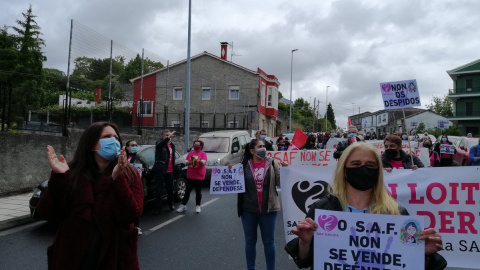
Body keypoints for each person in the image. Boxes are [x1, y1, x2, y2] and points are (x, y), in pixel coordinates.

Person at [284, 142, 446, 269]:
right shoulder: (322, 209)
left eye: (370, 165)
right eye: (355, 164)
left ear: (378, 171)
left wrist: (422, 253)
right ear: (344, 170)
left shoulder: (396, 213)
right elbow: (305, 261)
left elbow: (406, 262)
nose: (363, 169)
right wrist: (304, 242)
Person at [38, 122, 143, 270]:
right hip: (74, 258)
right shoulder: (73, 173)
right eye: (106, 136)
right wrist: (59, 178)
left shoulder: (129, 174)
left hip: (115, 257)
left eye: (115, 137)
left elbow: (132, 213)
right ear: (91, 144)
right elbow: (48, 212)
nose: (113, 140)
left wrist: (116, 180)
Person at [236, 139, 281, 270]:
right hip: (248, 211)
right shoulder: (244, 165)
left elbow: (280, 182)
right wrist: (229, 170)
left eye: (264, 146)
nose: (263, 149)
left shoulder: (272, 163)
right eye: (260, 146)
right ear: (252, 151)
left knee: (269, 242)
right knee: (250, 242)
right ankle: (251, 268)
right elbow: (236, 183)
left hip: (269, 210)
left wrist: (286, 170)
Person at [177, 140, 207, 213]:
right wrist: (189, 162)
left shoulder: (203, 154)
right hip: (191, 175)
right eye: (195, 144)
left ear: (201, 147)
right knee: (187, 191)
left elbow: (203, 162)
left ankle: (198, 206)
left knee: (198, 191)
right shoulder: (190, 153)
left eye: (197, 145)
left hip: (199, 175)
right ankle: (183, 205)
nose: (195, 146)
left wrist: (199, 161)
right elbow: (186, 162)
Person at [125, 140, 149, 235]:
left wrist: (143, 170)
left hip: (137, 185)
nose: (135, 146)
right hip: (126, 184)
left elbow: (147, 170)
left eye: (136, 145)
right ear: (127, 147)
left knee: (136, 206)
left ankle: (137, 227)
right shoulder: (123, 157)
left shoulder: (140, 158)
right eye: (132, 145)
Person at [152, 130, 176, 215]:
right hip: (161, 170)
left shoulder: (172, 145)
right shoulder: (159, 144)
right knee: (159, 190)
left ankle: (171, 204)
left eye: (169, 135)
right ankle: (158, 208)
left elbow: (172, 158)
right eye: (166, 135)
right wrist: (168, 137)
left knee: (170, 189)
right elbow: (159, 145)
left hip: (170, 171)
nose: (169, 137)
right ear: (162, 137)